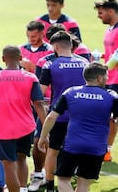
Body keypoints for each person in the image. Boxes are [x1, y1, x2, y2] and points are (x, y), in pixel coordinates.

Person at [38, 62, 118, 192]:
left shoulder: (71, 92)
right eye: (106, 76)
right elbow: (115, 120)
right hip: (96, 148)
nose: (108, 79)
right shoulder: (111, 96)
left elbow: (52, 117)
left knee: (63, 180)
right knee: (83, 184)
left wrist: (42, 137)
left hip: (72, 146)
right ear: (99, 78)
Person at [0, 45, 47, 192]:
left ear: (3, 59)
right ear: (21, 58)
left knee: (8, 165)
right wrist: (45, 128)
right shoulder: (31, 77)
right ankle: (23, 189)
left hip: (4, 129)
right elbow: (39, 103)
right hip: (26, 127)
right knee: (22, 158)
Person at [39, 31, 89, 192]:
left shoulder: (50, 64)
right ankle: (78, 183)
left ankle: (49, 184)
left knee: (53, 151)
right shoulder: (85, 63)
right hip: (81, 116)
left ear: (55, 46)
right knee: (80, 150)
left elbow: (41, 91)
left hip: (59, 115)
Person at [19, 20, 53, 192]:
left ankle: (39, 173)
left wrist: (32, 68)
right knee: (22, 140)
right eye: (29, 36)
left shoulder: (49, 52)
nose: (31, 39)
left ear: (42, 33)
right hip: (23, 101)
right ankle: (20, 177)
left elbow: (48, 76)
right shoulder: (20, 49)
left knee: (39, 138)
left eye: (35, 36)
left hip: (43, 100)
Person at [94, 0, 118, 162]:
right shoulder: (110, 29)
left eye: (101, 12)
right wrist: (100, 57)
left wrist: (103, 67)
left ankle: (106, 150)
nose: (98, 16)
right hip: (109, 79)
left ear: (111, 11)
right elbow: (112, 53)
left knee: (113, 117)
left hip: (116, 79)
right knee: (108, 116)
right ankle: (105, 149)